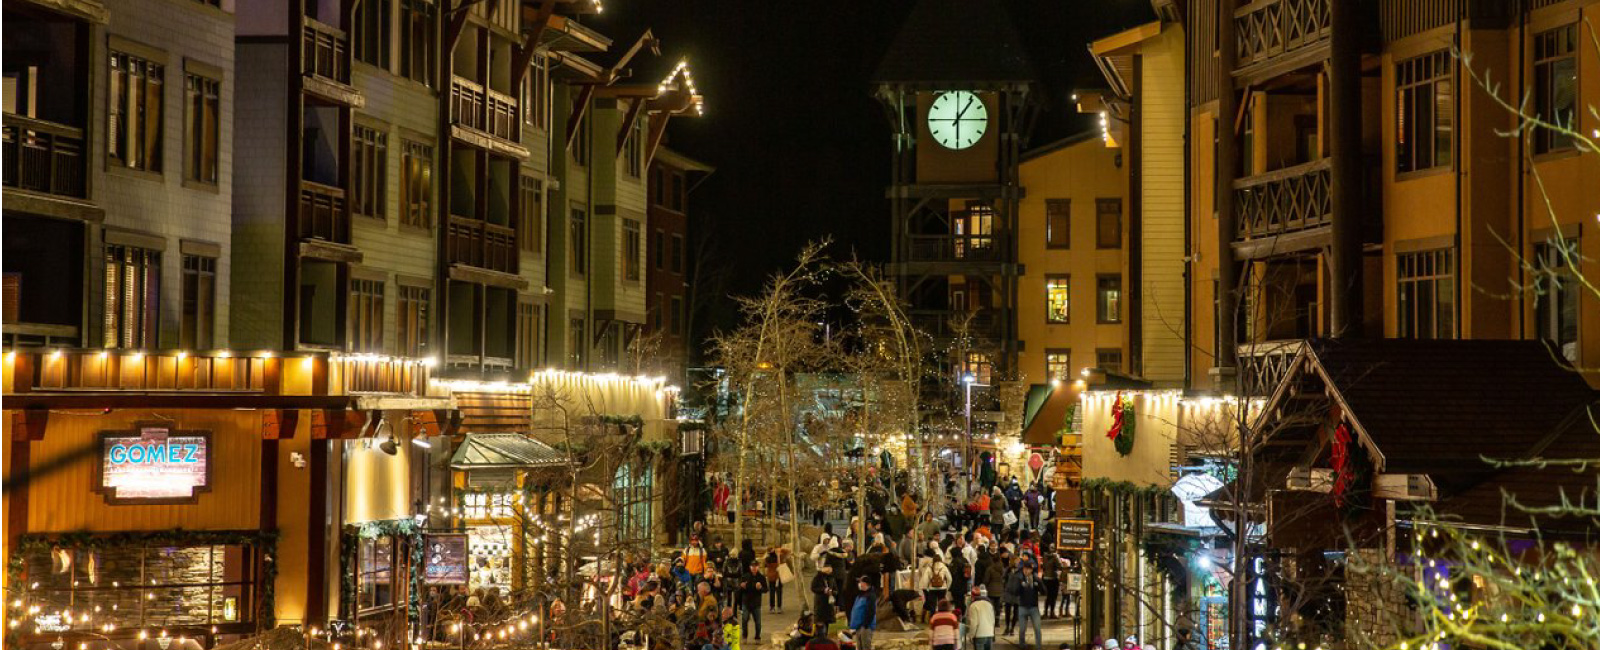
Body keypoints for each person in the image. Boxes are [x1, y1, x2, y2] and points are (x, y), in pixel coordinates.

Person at [1009, 563, 1043, 650]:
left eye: (1028, 569)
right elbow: (1014, 592)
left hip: (1033, 607)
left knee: (1037, 629)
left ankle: (1038, 647)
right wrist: (1020, 585)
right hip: (1023, 607)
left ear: (1031, 570)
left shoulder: (1035, 578)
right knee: (1022, 629)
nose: (1026, 571)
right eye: (1024, 569)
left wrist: (1038, 584)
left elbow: (1044, 591)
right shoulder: (1020, 578)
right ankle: (1022, 645)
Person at [738, 561, 769, 639]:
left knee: (758, 622)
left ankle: (757, 636)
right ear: (750, 567)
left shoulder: (761, 577)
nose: (754, 568)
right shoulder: (745, 576)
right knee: (744, 620)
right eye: (752, 566)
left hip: (756, 603)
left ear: (758, 567)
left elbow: (766, 589)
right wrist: (742, 587)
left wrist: (760, 588)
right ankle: (744, 635)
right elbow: (739, 590)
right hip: (746, 602)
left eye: (755, 566)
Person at [918, 554, 951, 623]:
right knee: (941, 606)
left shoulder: (929, 567)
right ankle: (941, 620)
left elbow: (925, 579)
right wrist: (947, 587)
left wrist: (927, 588)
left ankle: (932, 621)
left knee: (932, 606)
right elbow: (950, 579)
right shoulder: (944, 567)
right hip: (942, 589)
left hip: (932, 589)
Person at [848, 577, 877, 650]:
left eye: (860, 582)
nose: (859, 584)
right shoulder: (861, 594)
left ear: (865, 583)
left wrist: (866, 624)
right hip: (858, 626)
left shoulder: (870, 595)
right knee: (859, 647)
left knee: (865, 647)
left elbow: (871, 611)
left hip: (865, 627)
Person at [764, 547, 787, 613]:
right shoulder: (779, 557)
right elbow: (787, 552)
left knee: (772, 592)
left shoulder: (767, 559)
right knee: (779, 592)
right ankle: (779, 607)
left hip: (771, 577)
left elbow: (766, 568)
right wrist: (780, 550)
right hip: (778, 577)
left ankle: (772, 608)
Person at [1041, 550, 1062, 618]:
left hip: (1046, 578)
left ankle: (1045, 613)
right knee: (1053, 597)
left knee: (1048, 597)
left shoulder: (1045, 556)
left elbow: (1043, 567)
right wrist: (1057, 558)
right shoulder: (1055, 556)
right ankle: (1052, 613)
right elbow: (1060, 566)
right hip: (1053, 578)